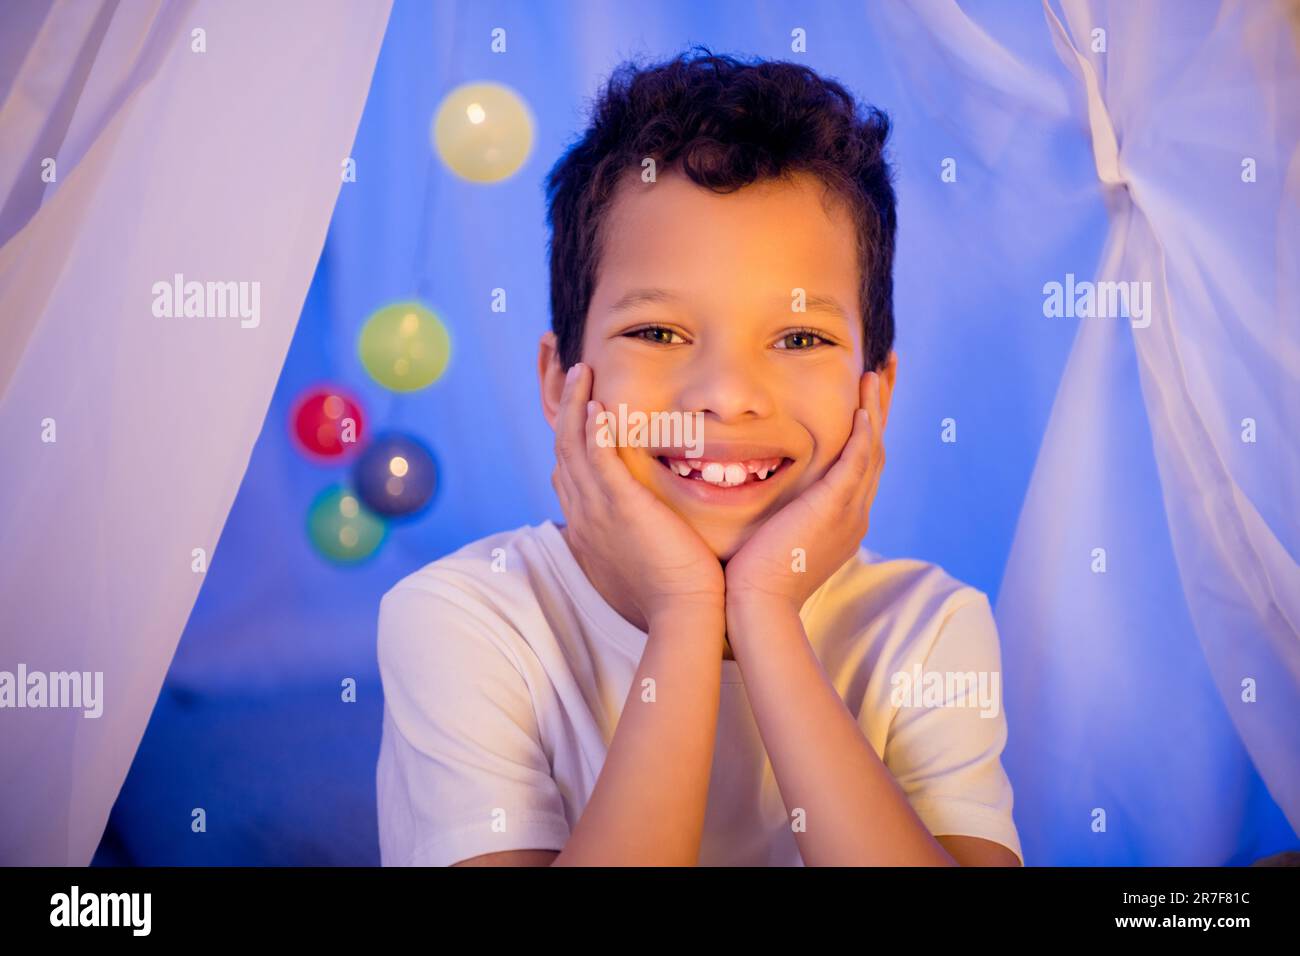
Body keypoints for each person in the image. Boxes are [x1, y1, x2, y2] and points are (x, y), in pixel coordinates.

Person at [376, 47, 1023, 866]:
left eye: (799, 337)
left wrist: (767, 617)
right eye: (657, 332)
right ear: (559, 381)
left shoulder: (929, 630)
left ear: (876, 395)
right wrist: (686, 614)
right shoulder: (462, 619)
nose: (725, 394)